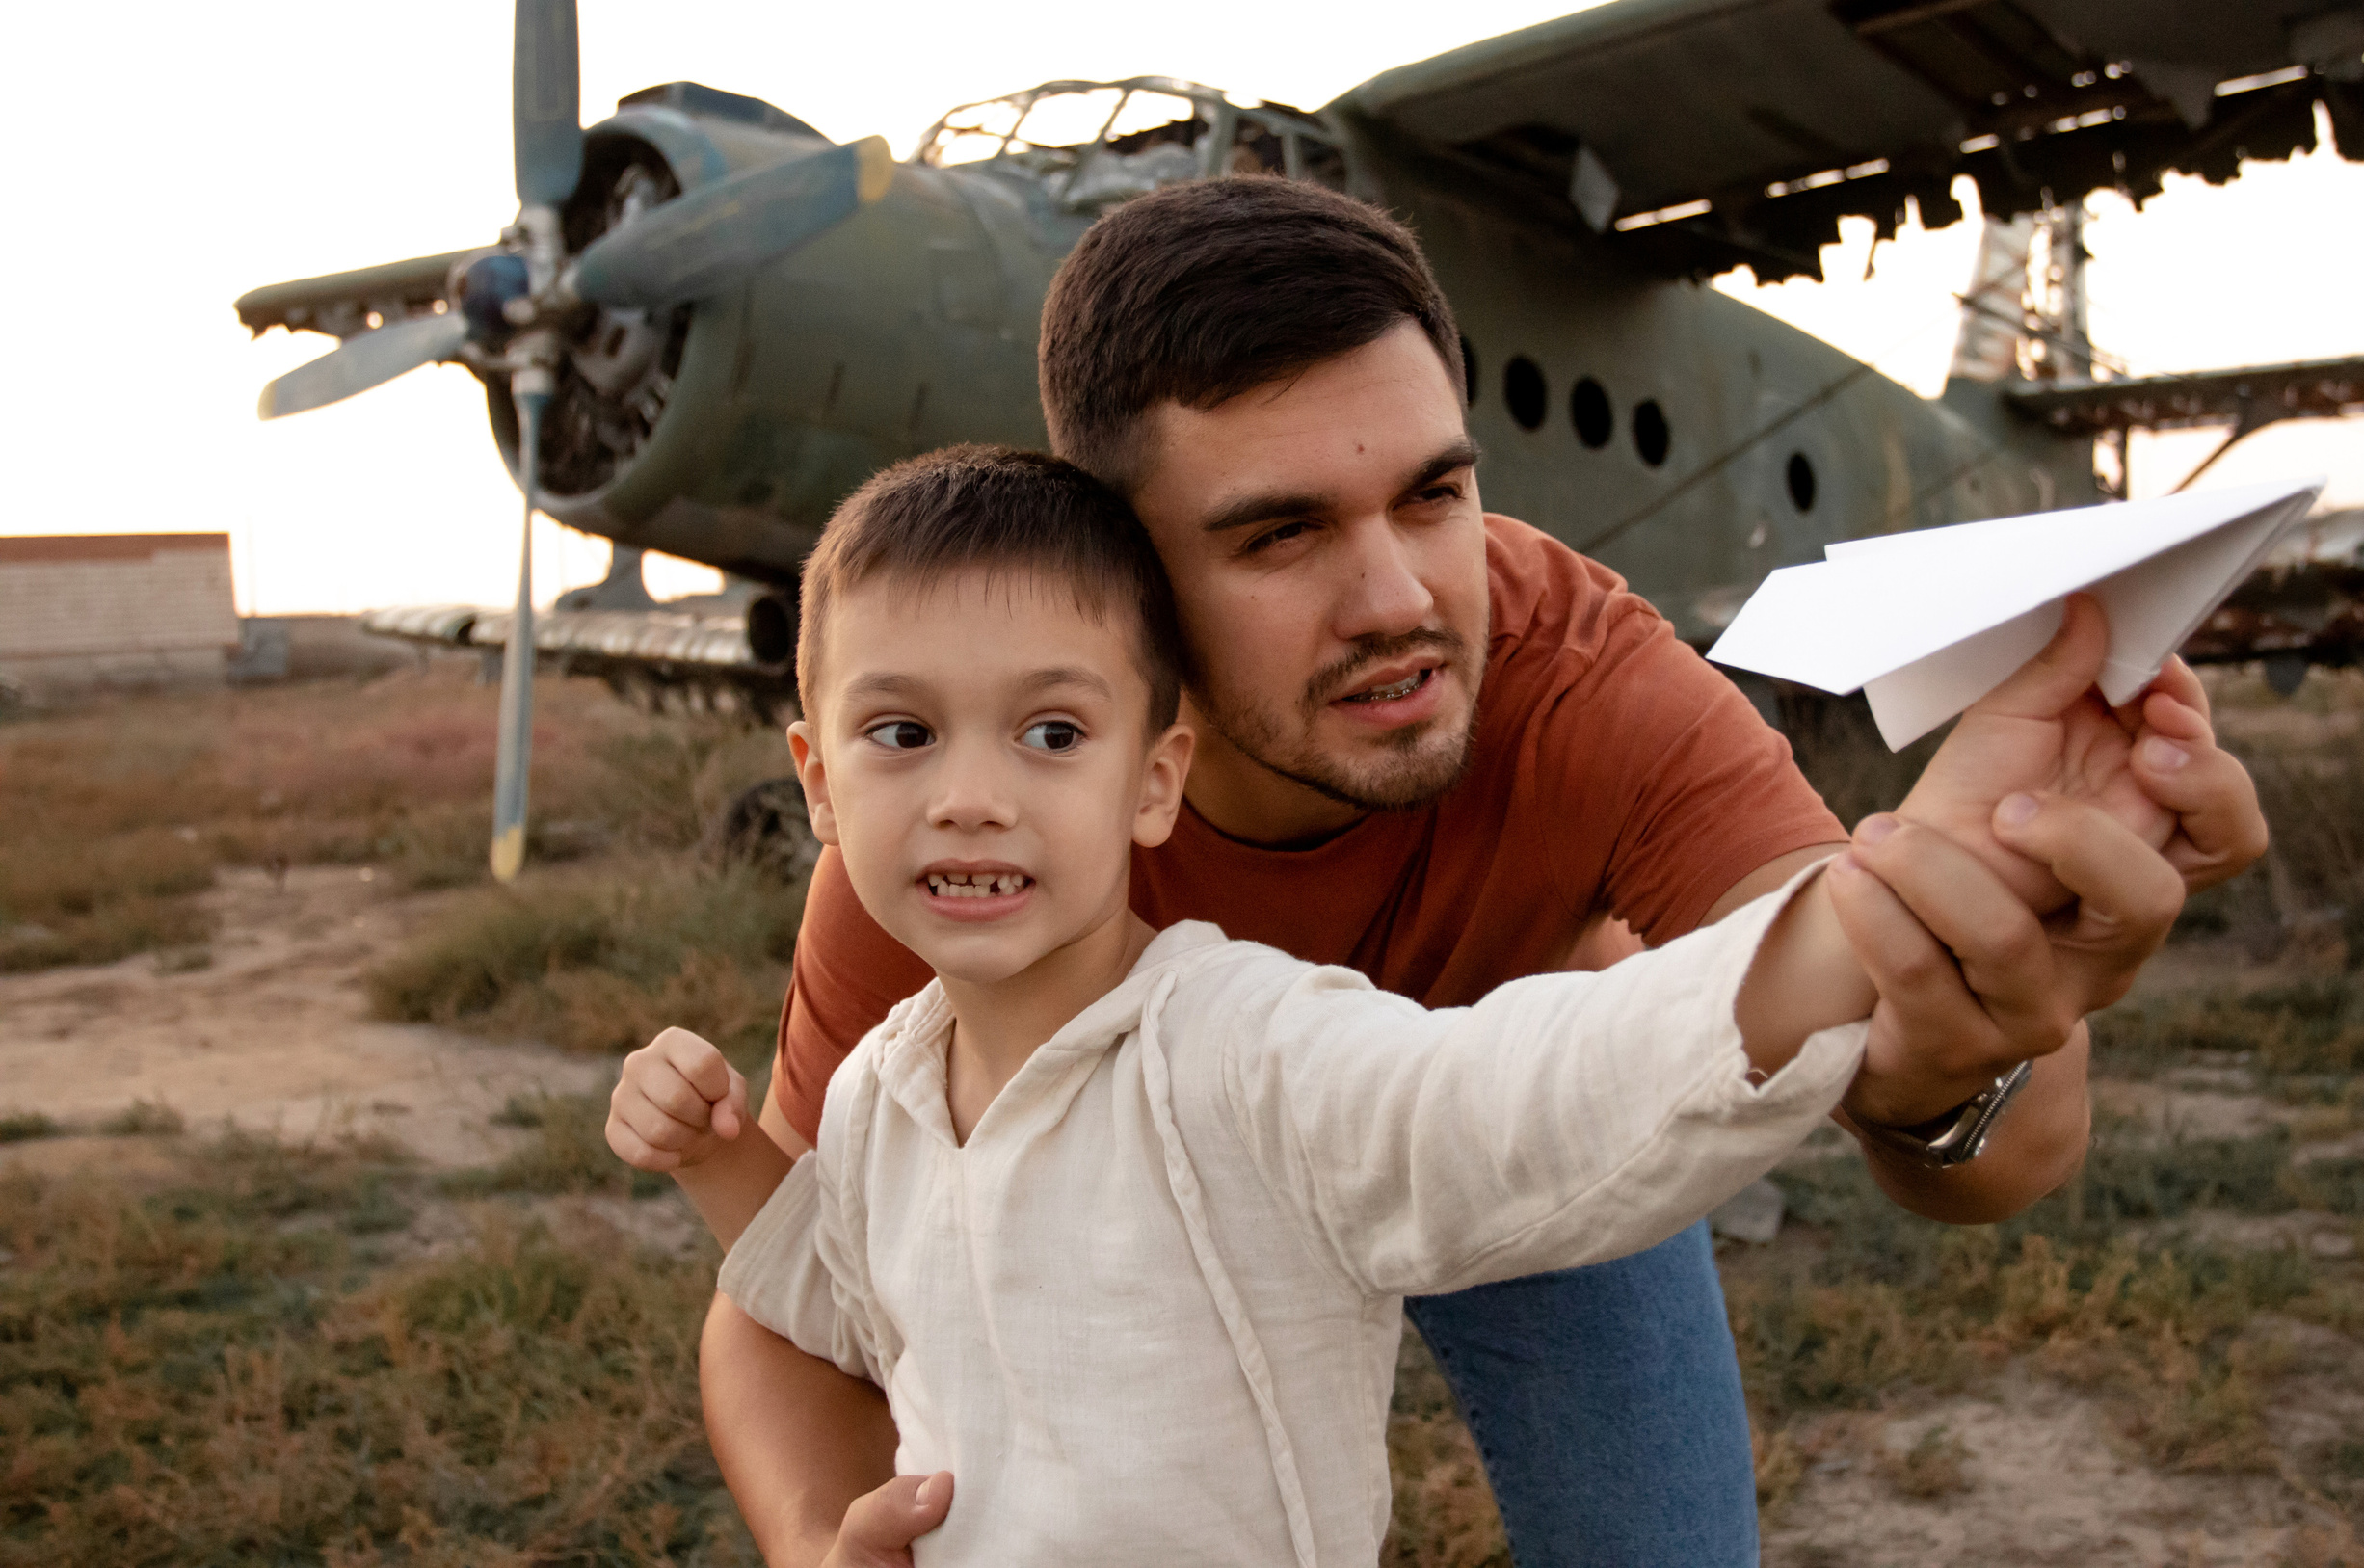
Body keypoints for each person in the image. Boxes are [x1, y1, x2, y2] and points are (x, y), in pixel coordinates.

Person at [695, 179, 2267, 1566]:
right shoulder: (982, 836)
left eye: (1434, 495)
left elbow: (1997, 1136)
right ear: (1130, 587)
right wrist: (835, 1545)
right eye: (1278, 533)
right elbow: (789, 1308)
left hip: (1528, 1124)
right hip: (1160, 1177)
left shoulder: (1583, 677)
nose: (1399, 602)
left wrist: (1953, 981)